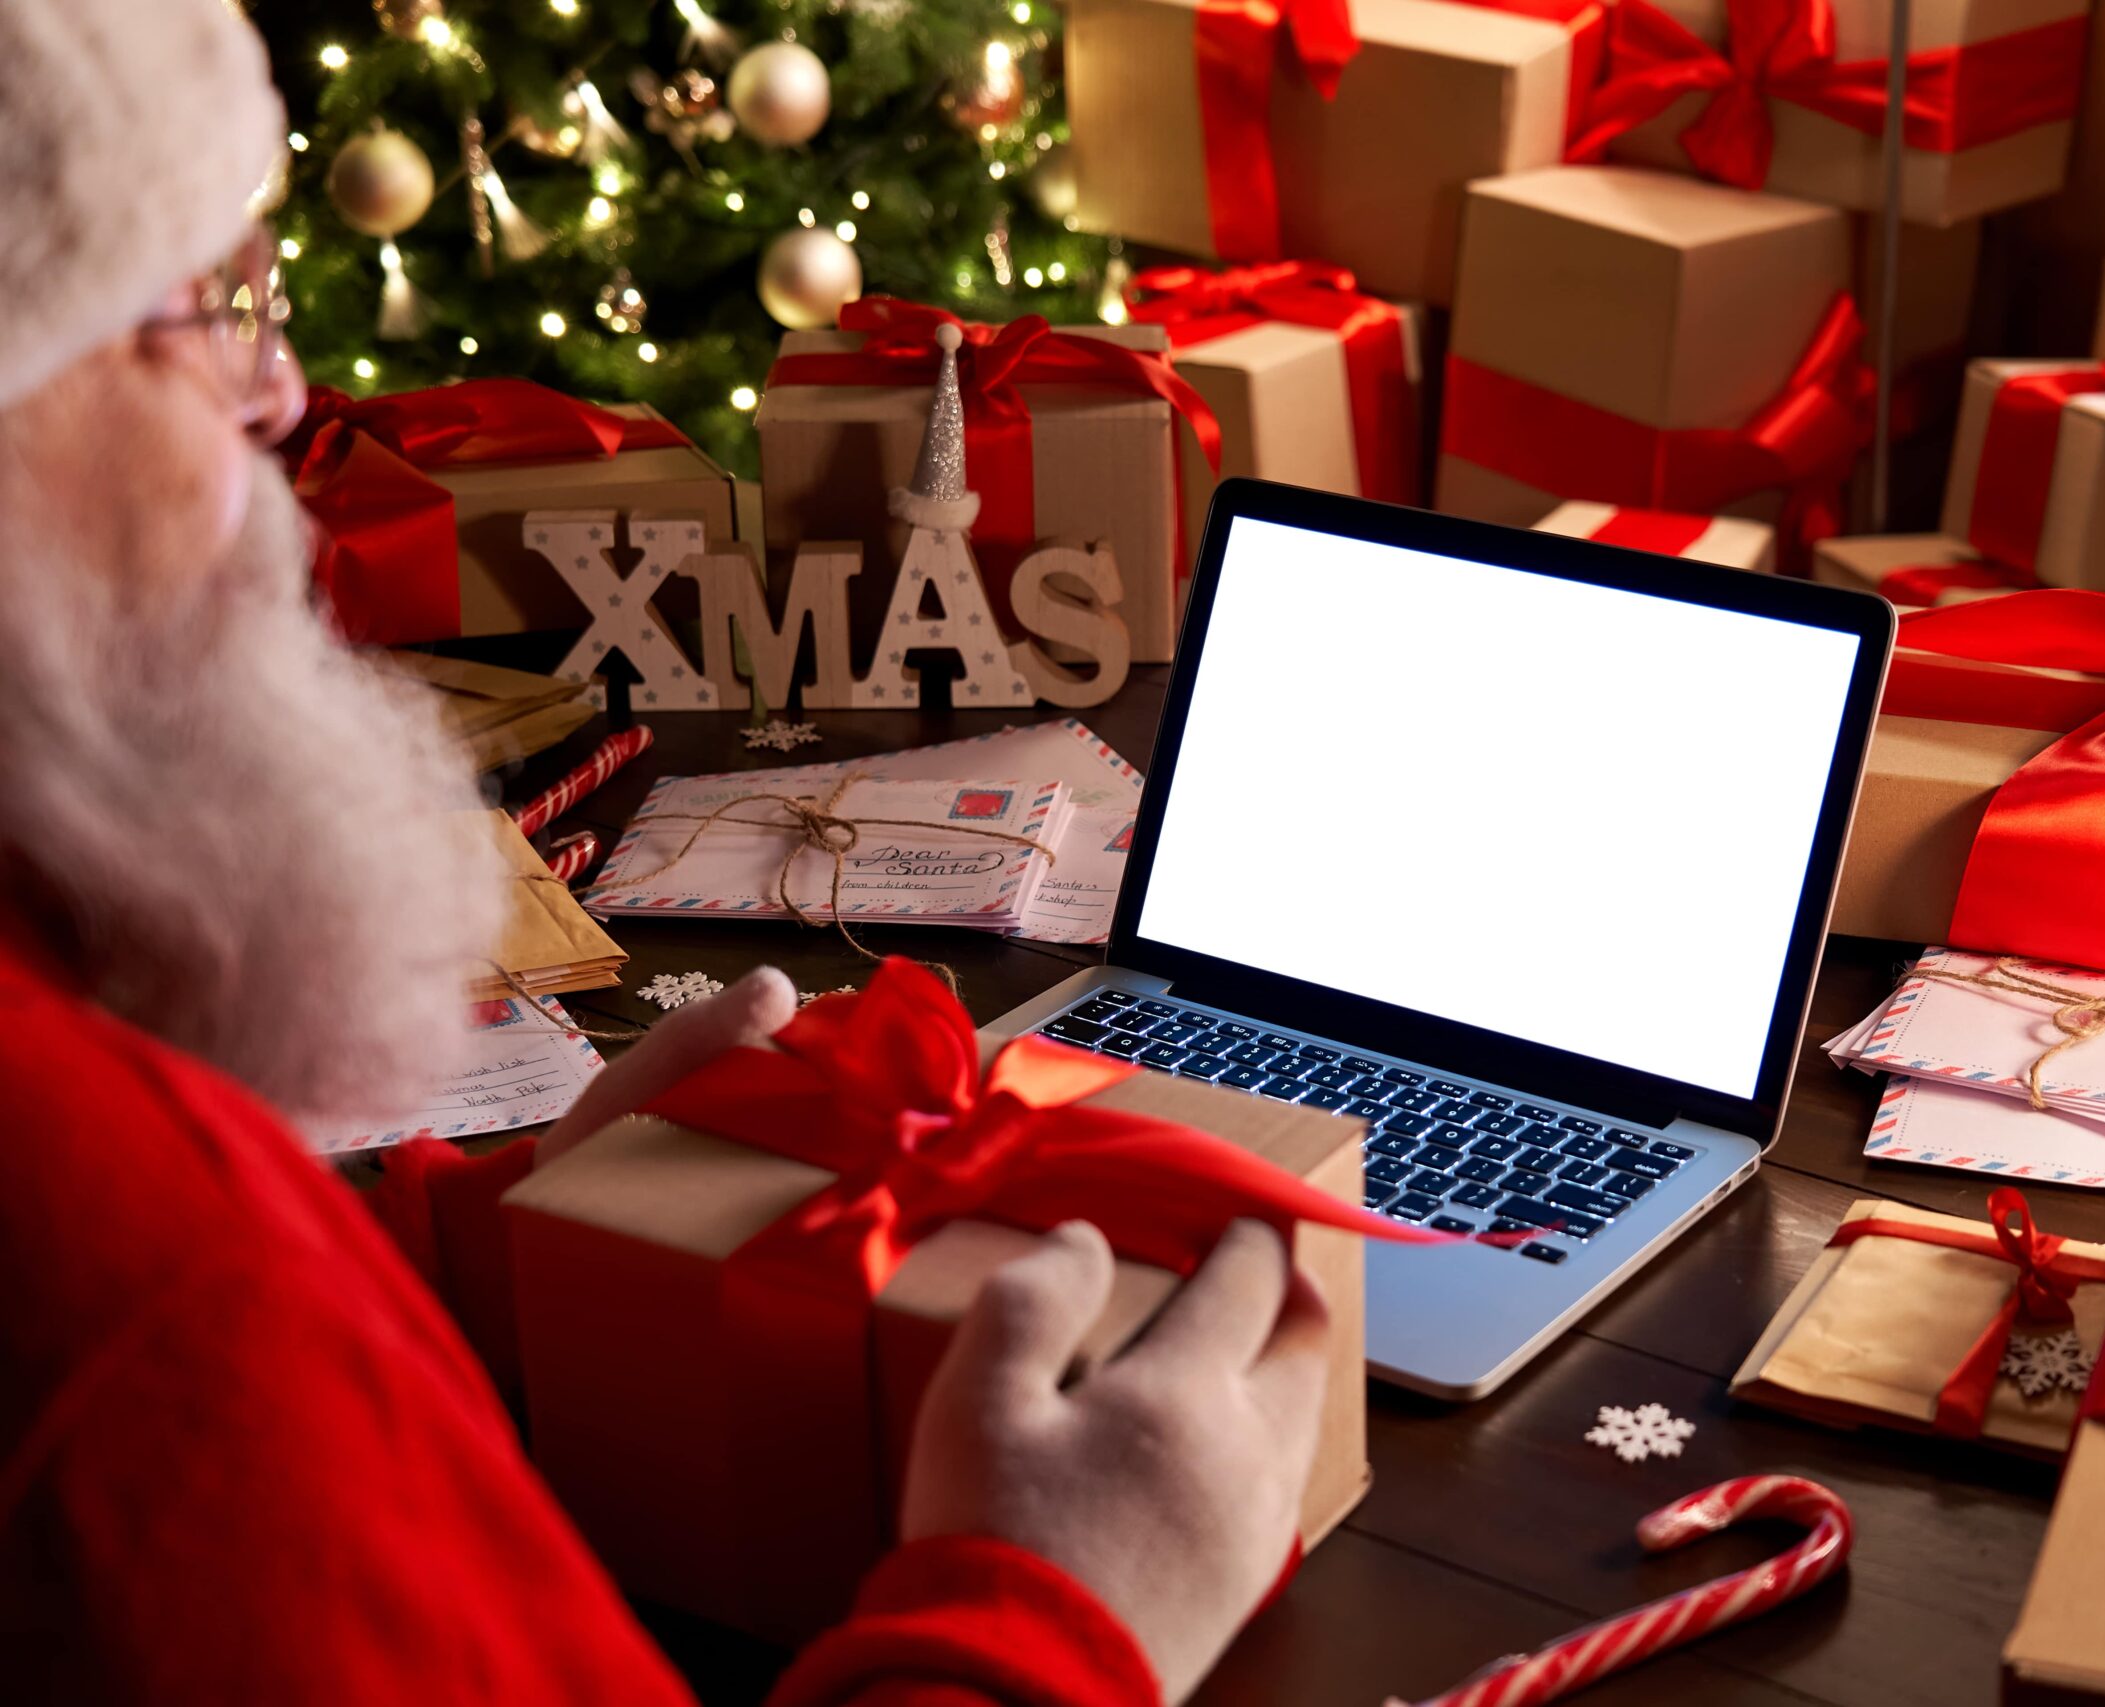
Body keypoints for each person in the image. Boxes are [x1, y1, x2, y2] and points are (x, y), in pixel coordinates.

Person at [0, 4, 1328, 1703]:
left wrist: (501, 1259)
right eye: (205, 310)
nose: (281, 395)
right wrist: (1048, 1623)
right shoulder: (124, 1280)